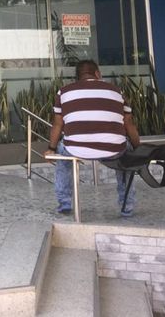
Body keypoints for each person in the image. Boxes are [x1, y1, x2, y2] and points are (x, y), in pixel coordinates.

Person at [48, 59, 142, 217]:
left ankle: (64, 203)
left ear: (77, 77)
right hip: (113, 148)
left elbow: (58, 124)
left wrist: (51, 149)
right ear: (97, 74)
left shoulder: (63, 92)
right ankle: (127, 206)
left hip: (76, 148)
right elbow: (129, 124)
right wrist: (137, 148)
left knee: (61, 153)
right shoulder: (116, 91)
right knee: (127, 157)